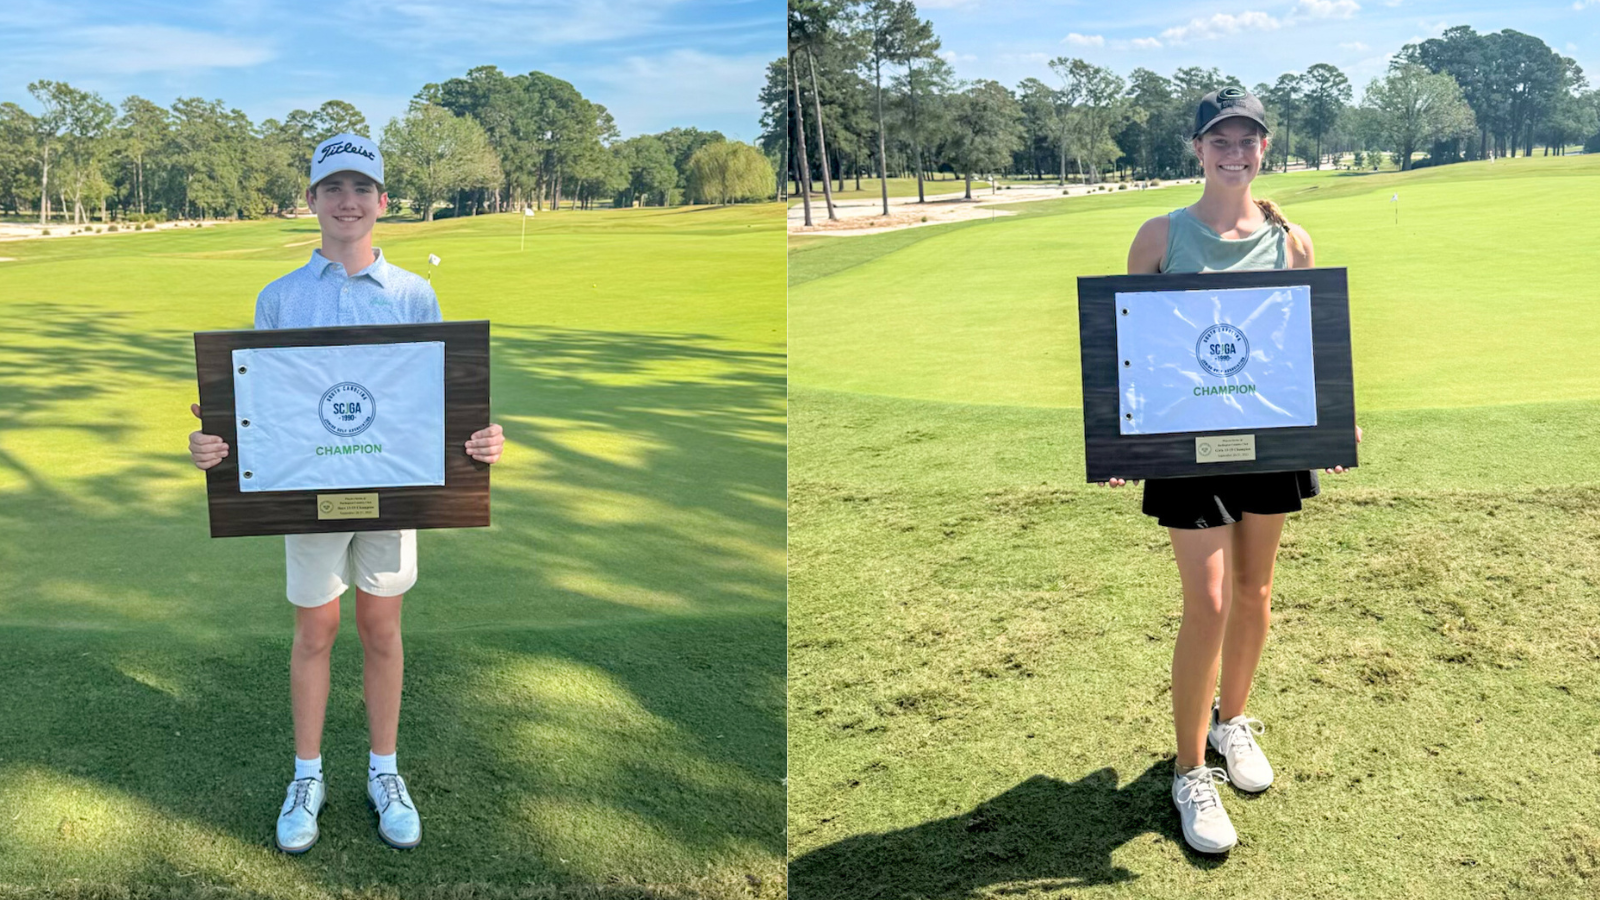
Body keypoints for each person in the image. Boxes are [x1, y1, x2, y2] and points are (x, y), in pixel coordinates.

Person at [186, 132, 505, 853]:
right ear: (312, 200)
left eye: (362, 188)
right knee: (316, 631)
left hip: (394, 492)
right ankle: (308, 775)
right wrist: (214, 447)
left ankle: (384, 771)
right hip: (310, 493)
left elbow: (439, 401)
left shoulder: (414, 294)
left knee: (381, 629)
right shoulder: (280, 297)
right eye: (333, 188)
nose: (348, 201)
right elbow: (257, 408)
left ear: (383, 202)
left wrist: (481, 441)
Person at [1116, 88, 1360, 855]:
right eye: (1219, 139)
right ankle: (1190, 771)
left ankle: (1230, 725)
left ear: (1264, 147)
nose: (1233, 151)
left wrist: (1333, 414)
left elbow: (1307, 343)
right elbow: (1136, 343)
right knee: (1212, 601)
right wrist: (1123, 434)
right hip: (1189, 447)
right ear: (1197, 148)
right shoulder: (1160, 236)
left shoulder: (1292, 241)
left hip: (1270, 438)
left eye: (1246, 139)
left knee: (1256, 591)